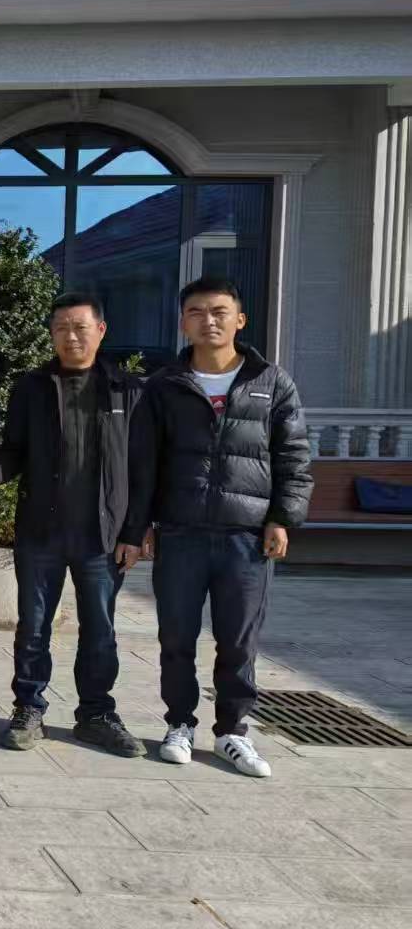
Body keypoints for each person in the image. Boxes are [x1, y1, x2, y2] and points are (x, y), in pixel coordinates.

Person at [123, 276, 312, 779]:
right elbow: (143, 463)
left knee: (239, 640)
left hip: (245, 536)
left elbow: (294, 456)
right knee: (176, 637)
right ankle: (179, 724)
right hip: (180, 532)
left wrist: (281, 518)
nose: (208, 321)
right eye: (197, 312)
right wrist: (139, 526)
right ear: (183, 323)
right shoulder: (164, 385)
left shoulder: (272, 382)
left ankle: (233, 731)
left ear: (239, 320)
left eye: (219, 312)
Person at [0, 293, 146, 758]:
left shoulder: (127, 390)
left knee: (100, 630)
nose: (71, 337)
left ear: (101, 331)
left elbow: (143, 467)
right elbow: (14, 451)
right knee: (33, 626)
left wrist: (135, 532)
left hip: (102, 537)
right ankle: (28, 707)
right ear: (51, 334)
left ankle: (96, 714)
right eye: (61, 329)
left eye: (80, 327)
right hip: (42, 532)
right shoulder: (33, 387)